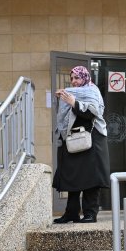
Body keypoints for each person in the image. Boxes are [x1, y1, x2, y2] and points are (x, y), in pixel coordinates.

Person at [52, 65, 111, 224]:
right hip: (73, 140)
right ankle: (71, 213)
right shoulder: (71, 93)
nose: (74, 81)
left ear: (85, 77)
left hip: (92, 140)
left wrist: (74, 102)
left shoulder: (92, 91)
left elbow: (92, 113)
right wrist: (66, 99)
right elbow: (65, 117)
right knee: (73, 177)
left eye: (77, 78)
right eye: (71, 78)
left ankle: (90, 214)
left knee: (91, 179)